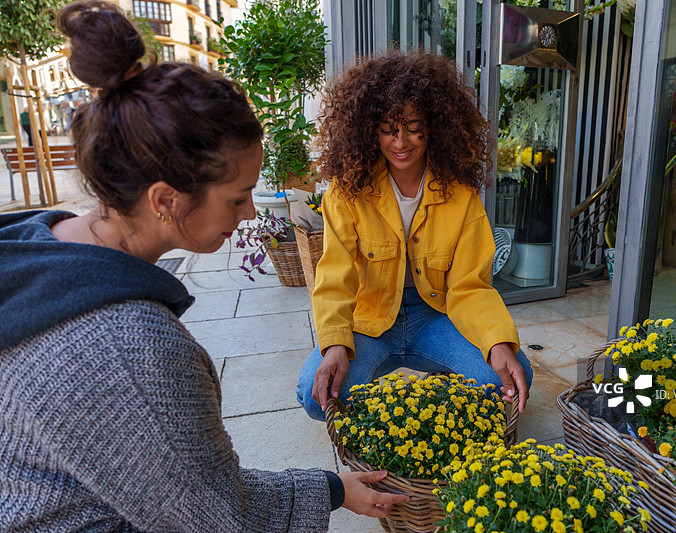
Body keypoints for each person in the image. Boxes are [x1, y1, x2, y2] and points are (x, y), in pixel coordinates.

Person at [0, 2, 406, 531]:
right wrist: (327, 492)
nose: (252, 213)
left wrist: (330, 487)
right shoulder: (132, 351)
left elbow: (185, 483)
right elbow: (219, 516)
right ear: (166, 199)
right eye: (238, 197)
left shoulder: (35, 242)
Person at [296, 51, 534, 422]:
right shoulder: (346, 192)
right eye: (389, 128)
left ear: (435, 125)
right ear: (369, 128)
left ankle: (446, 368)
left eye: (412, 125)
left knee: (510, 375)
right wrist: (335, 343)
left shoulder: (461, 195)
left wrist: (496, 341)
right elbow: (334, 278)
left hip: (438, 314)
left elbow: (470, 286)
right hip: (371, 319)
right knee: (316, 396)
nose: (400, 141)